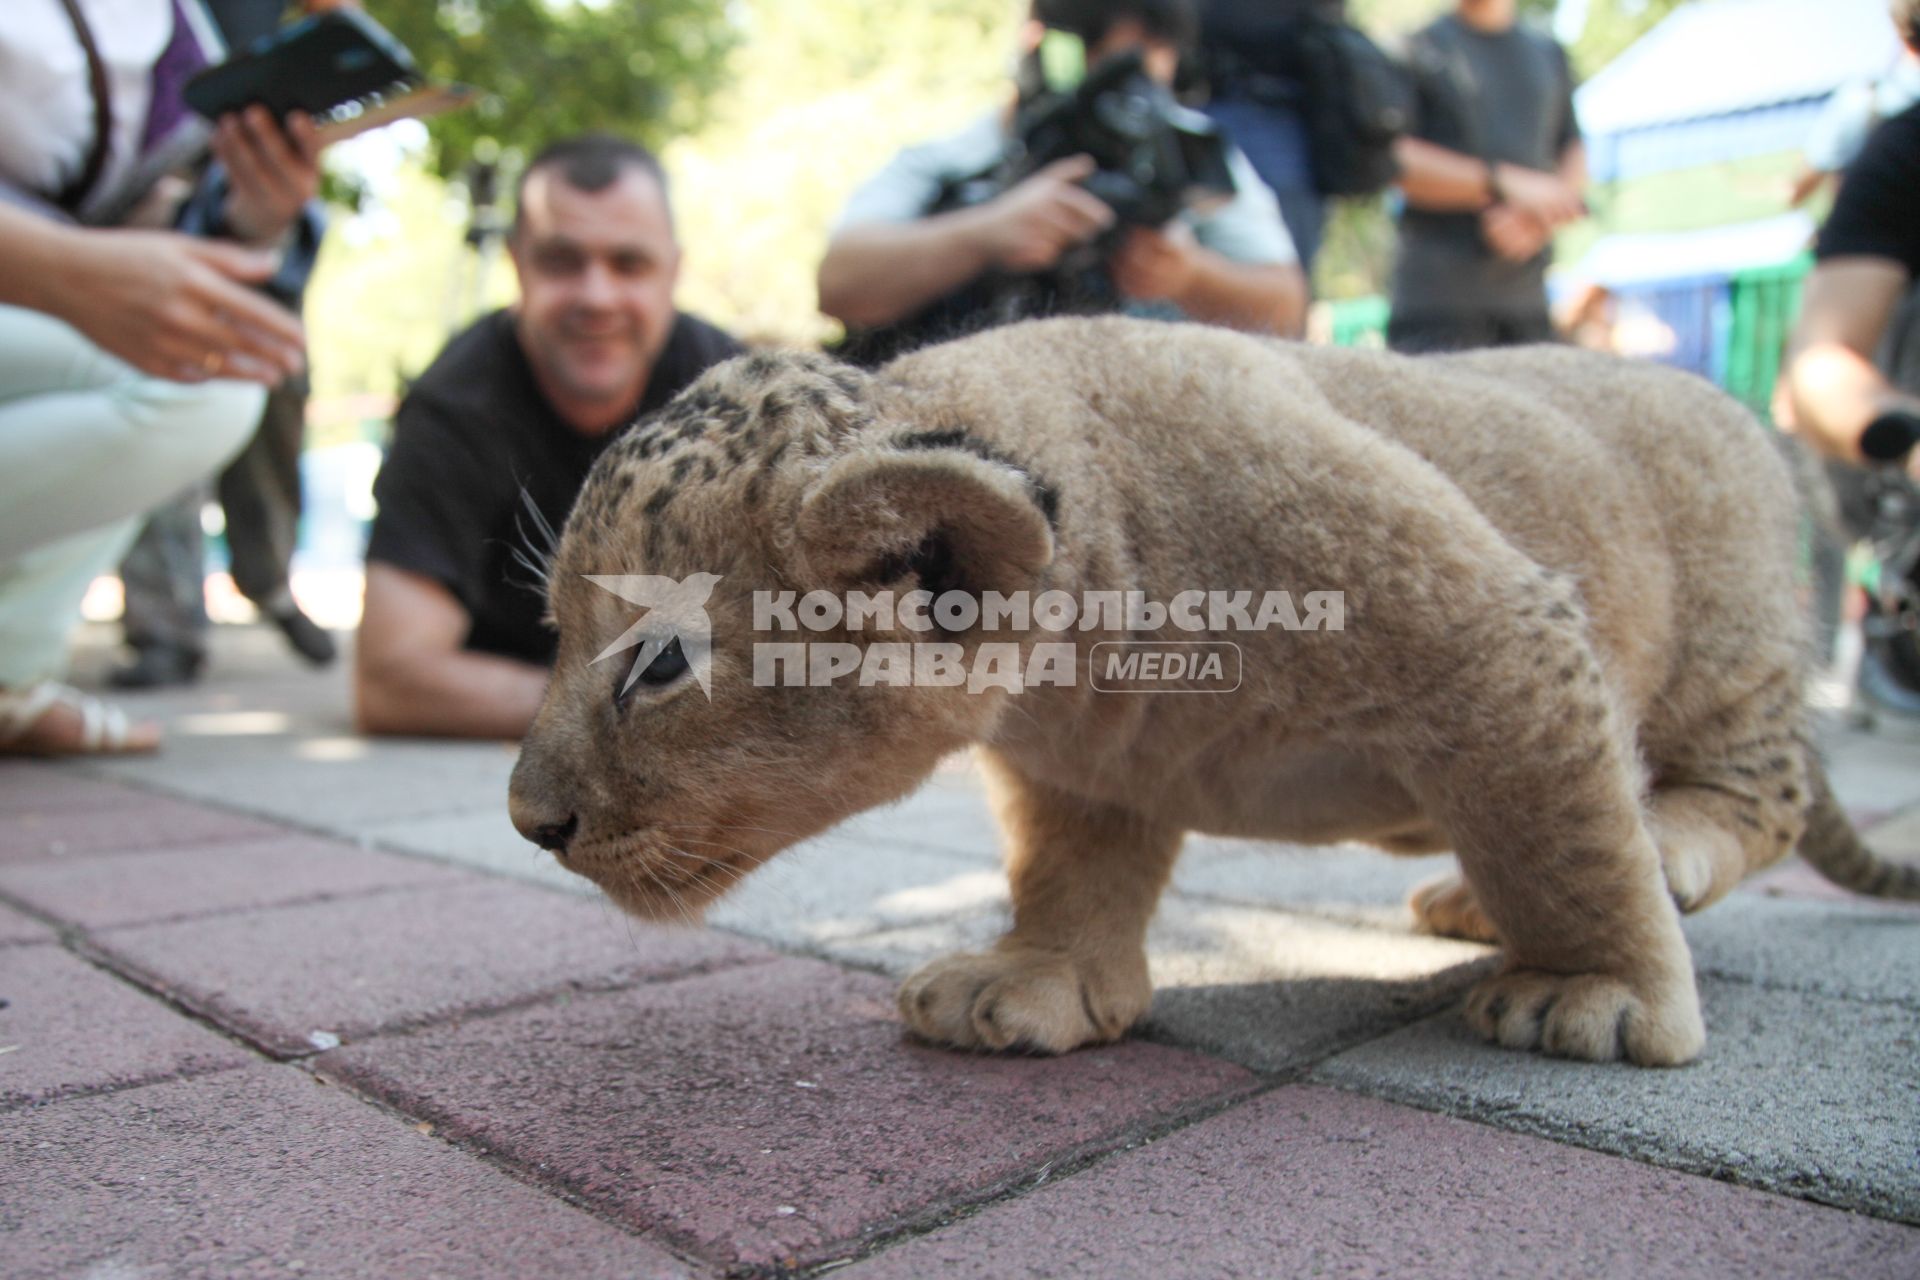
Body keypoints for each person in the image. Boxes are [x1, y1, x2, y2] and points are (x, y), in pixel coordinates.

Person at [0, 0, 321, 757]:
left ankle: (9, 674)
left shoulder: (190, 25)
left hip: (38, 318)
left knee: (199, 366)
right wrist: (63, 271)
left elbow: (148, 246)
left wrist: (254, 216)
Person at [355, 134, 743, 740]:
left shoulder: (732, 397)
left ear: (673, 270)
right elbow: (390, 679)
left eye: (629, 264)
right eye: (562, 261)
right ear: (517, 263)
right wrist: (635, 705)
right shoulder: (454, 406)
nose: (596, 296)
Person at [816, 0, 1306, 355]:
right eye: (1116, 68)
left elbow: (1287, 311)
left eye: (1155, 67)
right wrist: (984, 235)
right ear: (1043, 44)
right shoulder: (961, 156)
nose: (1138, 96)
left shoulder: (1193, 153)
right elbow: (839, 284)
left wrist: (1191, 275)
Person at [113, 0, 349, 690]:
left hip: (258, 187)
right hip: (154, 183)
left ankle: (268, 576)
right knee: (157, 387)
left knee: (275, 391)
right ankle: (164, 625)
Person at [1386, 0, 1585, 354]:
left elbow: (1573, 151)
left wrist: (1536, 219)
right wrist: (1501, 182)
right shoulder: (1415, 49)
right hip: (1435, 306)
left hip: (1527, 305)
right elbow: (1391, 160)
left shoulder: (1549, 53)